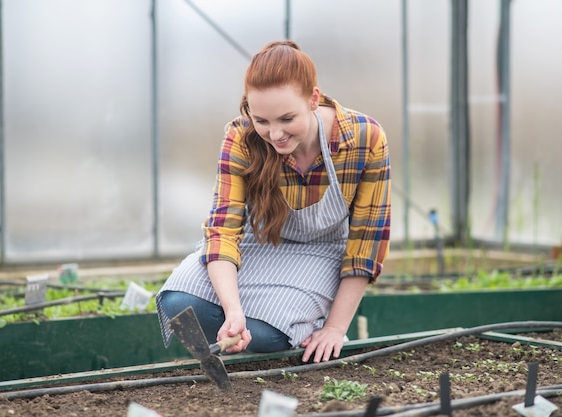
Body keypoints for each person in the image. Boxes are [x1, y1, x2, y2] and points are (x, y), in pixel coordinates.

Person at [157, 40, 390, 363]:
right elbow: (222, 232)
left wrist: (335, 328)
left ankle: (290, 334)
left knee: (269, 336)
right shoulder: (240, 137)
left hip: (319, 252)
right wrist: (233, 311)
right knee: (177, 303)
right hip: (260, 243)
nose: (275, 134)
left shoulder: (365, 139)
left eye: (286, 118)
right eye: (262, 121)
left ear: (314, 99)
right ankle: (248, 343)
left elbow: (366, 242)